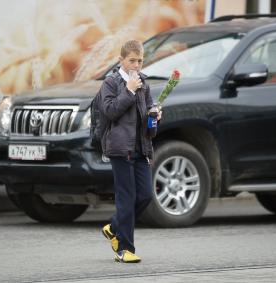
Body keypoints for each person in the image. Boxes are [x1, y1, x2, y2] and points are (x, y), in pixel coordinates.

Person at [99, 40, 161, 263]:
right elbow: (110, 111)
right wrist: (128, 91)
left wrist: (153, 114)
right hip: (119, 149)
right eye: (131, 60)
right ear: (121, 60)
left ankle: (113, 227)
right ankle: (124, 249)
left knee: (145, 195)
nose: (136, 65)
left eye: (140, 61)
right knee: (126, 198)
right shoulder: (111, 83)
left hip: (140, 147)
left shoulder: (144, 82)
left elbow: (147, 109)